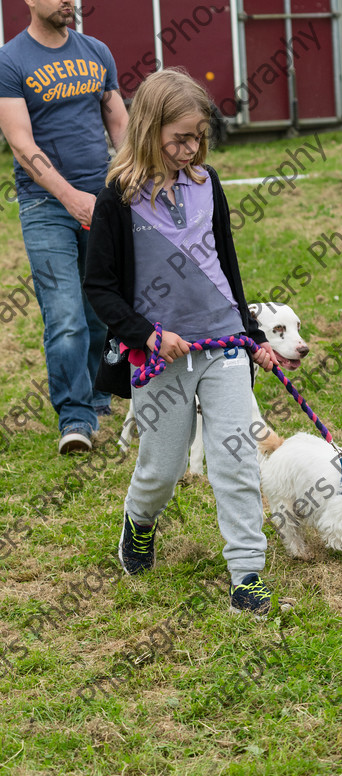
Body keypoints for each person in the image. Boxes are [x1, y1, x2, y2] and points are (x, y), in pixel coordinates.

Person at [83, 68, 286, 616]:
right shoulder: (117, 198)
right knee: (163, 467)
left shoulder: (207, 183)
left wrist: (250, 335)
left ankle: (247, 574)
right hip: (160, 356)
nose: (190, 148)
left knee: (235, 461)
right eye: (179, 138)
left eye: (198, 137)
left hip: (221, 344)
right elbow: (99, 287)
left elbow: (226, 263)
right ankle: (140, 521)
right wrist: (147, 335)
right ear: (149, 130)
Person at [0, 0, 129, 454]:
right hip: (45, 206)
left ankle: (97, 399)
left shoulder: (97, 52)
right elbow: (21, 145)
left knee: (101, 310)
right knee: (65, 315)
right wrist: (71, 196)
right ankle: (74, 419)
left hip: (102, 203)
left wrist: (132, 174)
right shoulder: (11, 62)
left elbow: (119, 123)